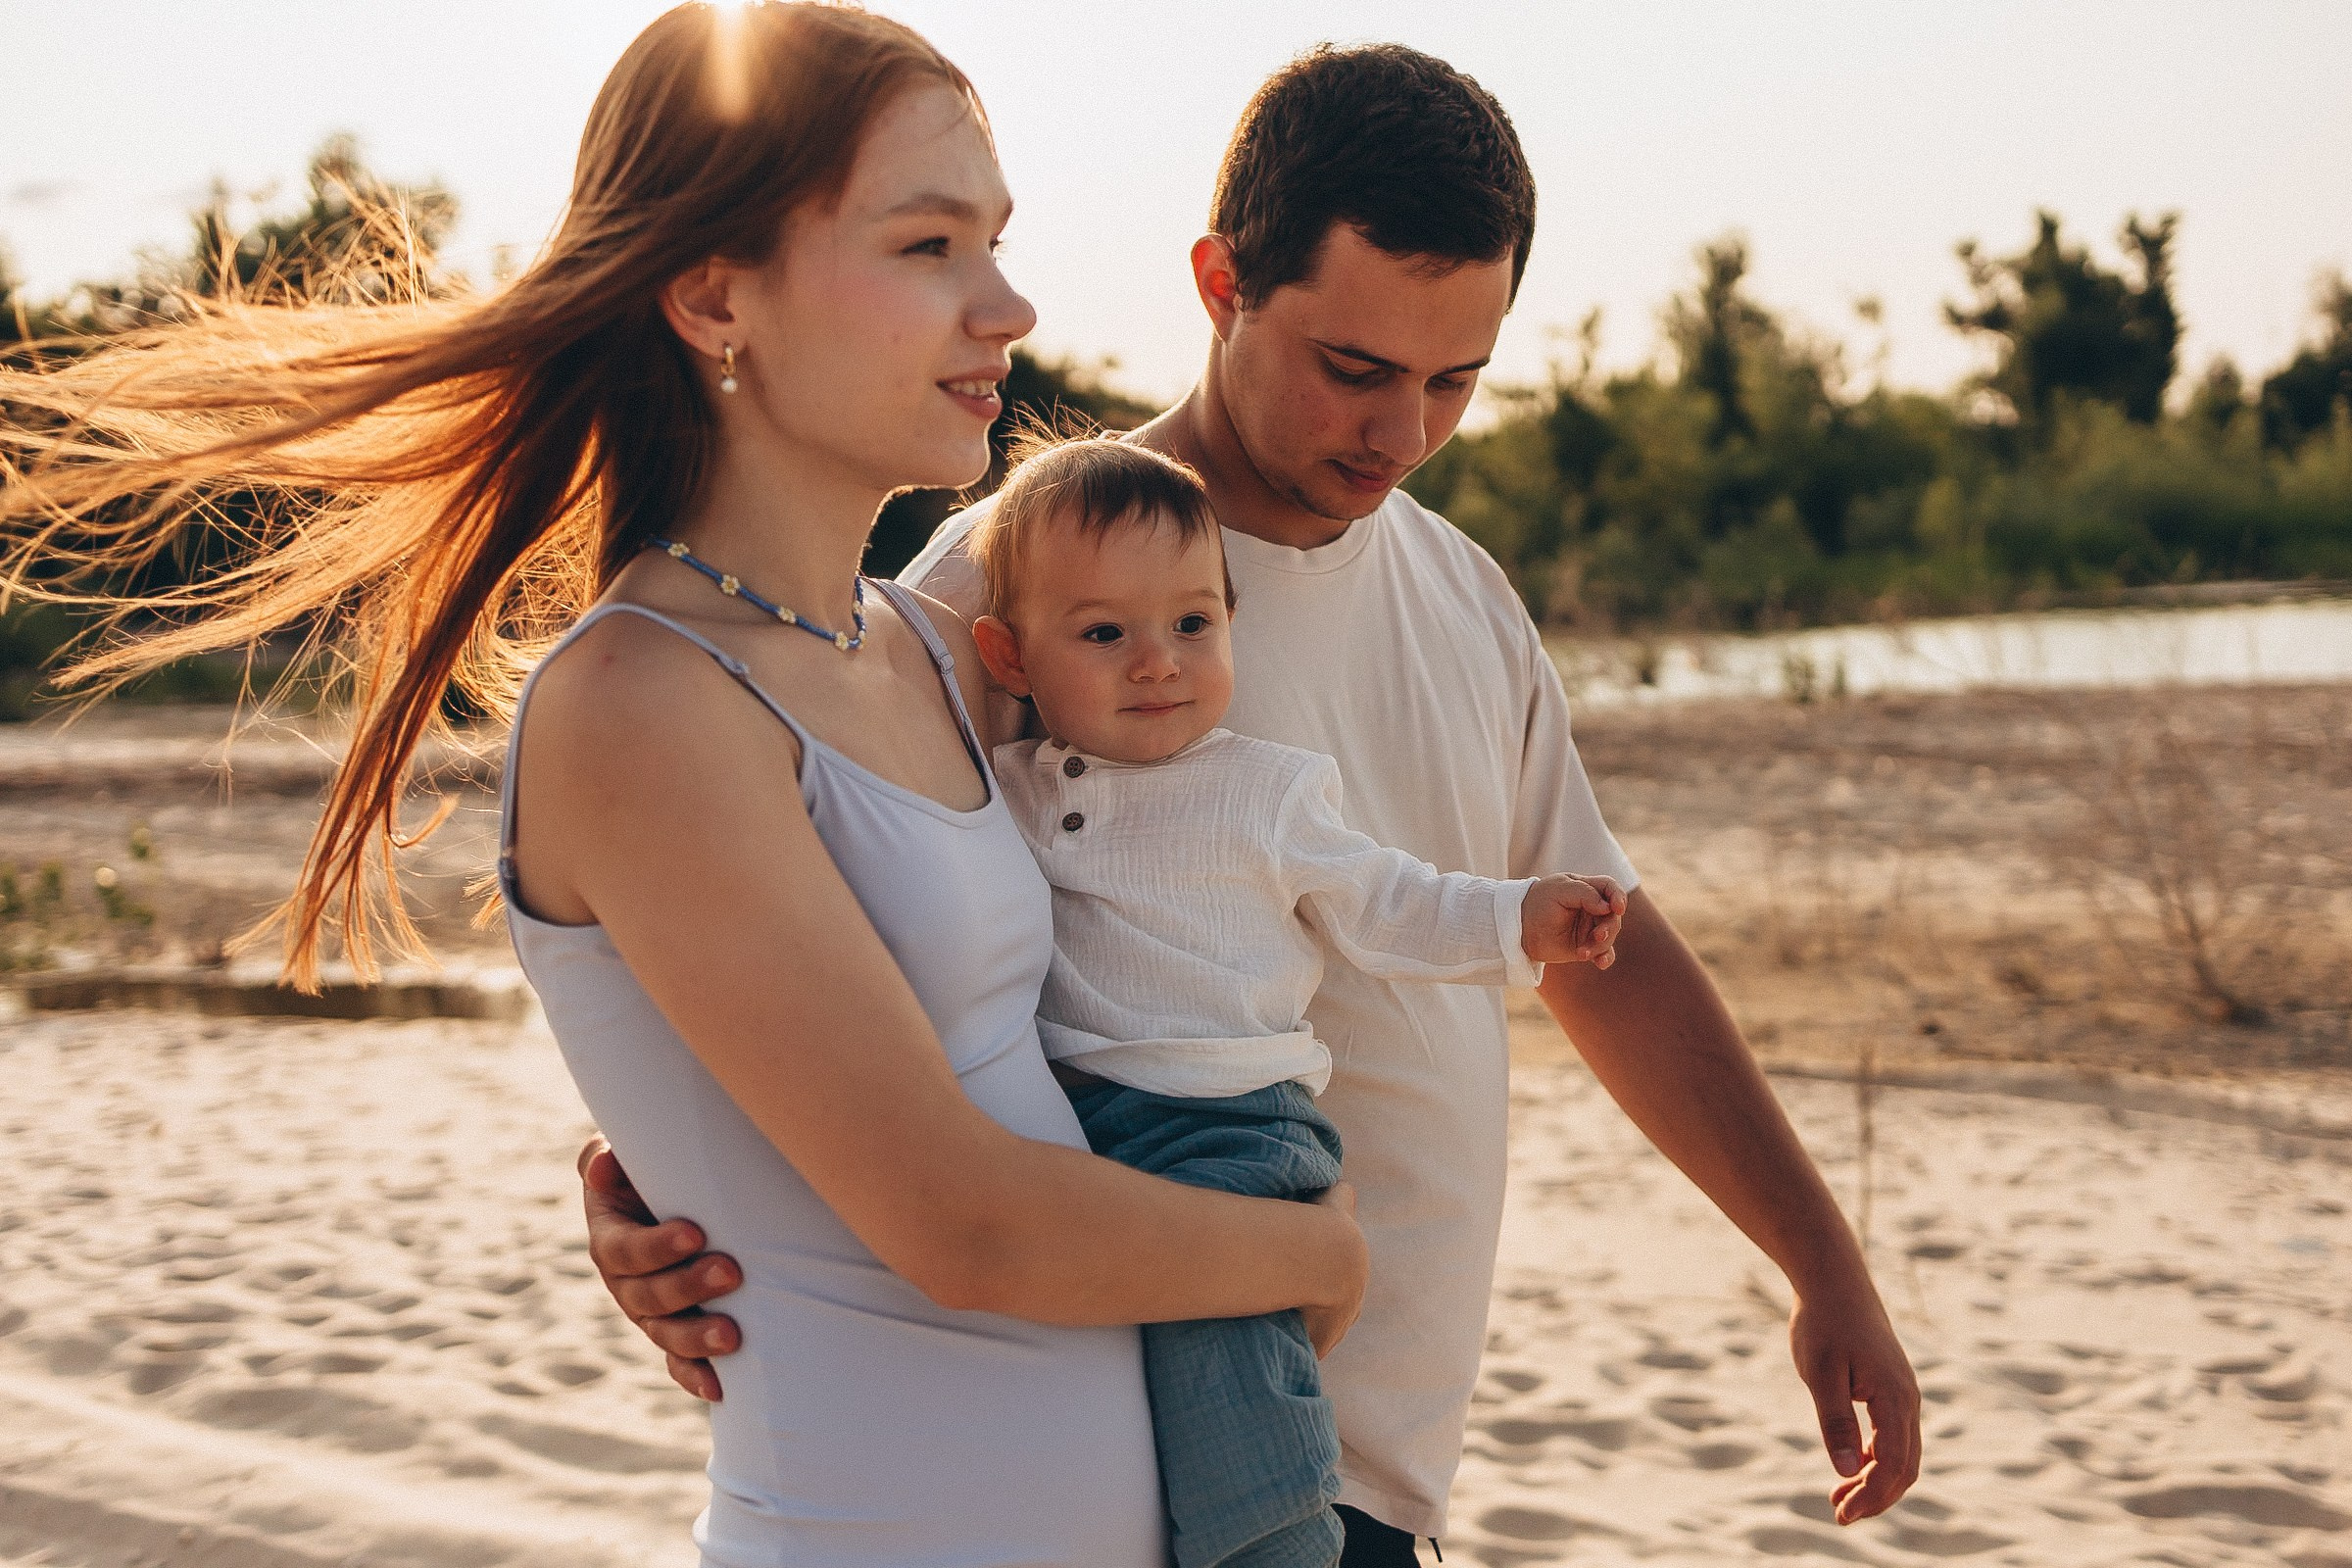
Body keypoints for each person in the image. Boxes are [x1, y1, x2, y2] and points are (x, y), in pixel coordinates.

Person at [0, 7, 1373, 1564]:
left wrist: (628, 1175)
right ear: (716, 294)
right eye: (930, 245)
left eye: (995, 241)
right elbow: (961, 1221)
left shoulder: (937, 647)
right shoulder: (640, 702)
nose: (1007, 303)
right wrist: (1316, 1261)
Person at [585, 39, 1923, 1562]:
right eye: (1354, 369)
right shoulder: (1023, 583)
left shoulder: (1464, 595)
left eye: (1455, 380)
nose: (1401, 435)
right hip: (1140, 1467)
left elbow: (1599, 951)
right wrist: (645, 1181)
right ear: (1222, 281)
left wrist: (1824, 1264)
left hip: (1391, 1472)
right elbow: (820, 938)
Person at [960, 433, 1629, 1567]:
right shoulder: (1002, 793)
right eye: (1103, 633)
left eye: (1191, 625)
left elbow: (1393, 902)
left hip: (1229, 1127)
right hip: (1074, 1136)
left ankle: (1275, 1543)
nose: (1156, 661)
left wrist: (1523, 914)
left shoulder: (1264, 791)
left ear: (1232, 620)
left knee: (1225, 1370)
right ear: (1009, 657)